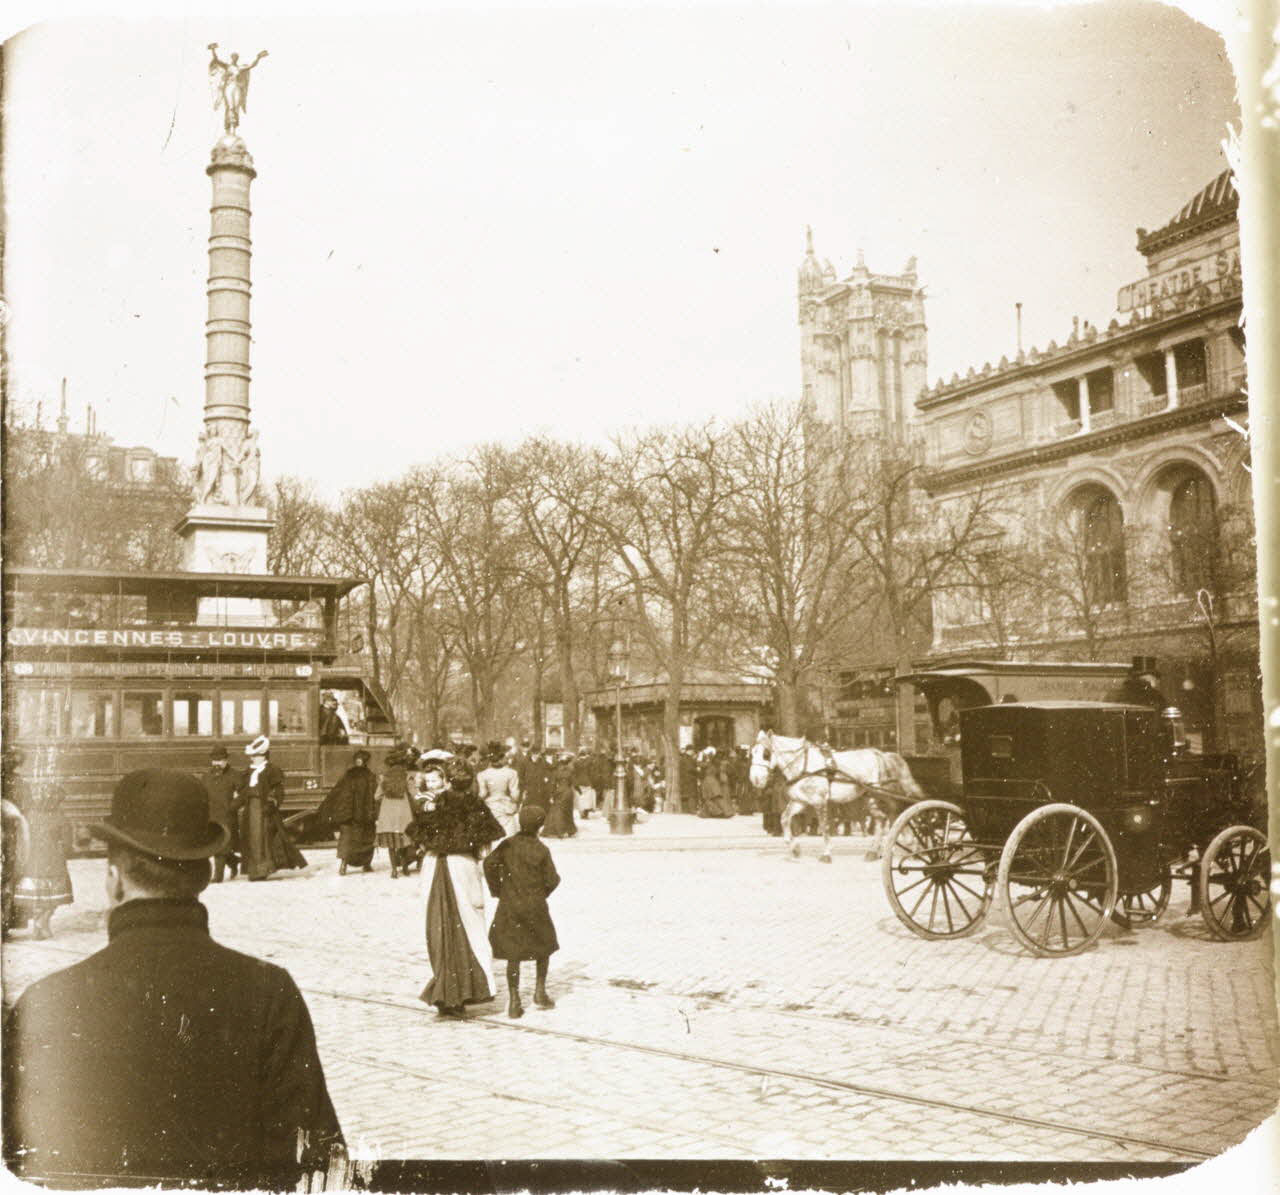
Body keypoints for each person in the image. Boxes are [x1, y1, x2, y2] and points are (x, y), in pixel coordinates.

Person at [2, 769, 344, 1188]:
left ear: (113, 881)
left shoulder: (44, 1001)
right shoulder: (270, 990)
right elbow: (319, 1168)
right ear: (202, 879)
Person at [415, 763, 505, 1018]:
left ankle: (445, 988)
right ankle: (462, 990)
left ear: (449, 781)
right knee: (469, 926)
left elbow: (419, 835)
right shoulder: (475, 805)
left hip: (434, 867)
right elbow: (485, 847)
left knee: (439, 927)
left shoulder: (435, 804)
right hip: (462, 866)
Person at [483, 805, 560, 1019]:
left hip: (510, 905)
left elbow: (489, 863)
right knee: (544, 948)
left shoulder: (507, 845)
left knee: (512, 954)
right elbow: (553, 879)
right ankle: (540, 992)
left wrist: (497, 890)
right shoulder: (542, 849)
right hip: (535, 906)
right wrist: (541, 893)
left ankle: (514, 1000)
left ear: (518, 822)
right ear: (540, 826)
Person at [12, 766, 74, 940]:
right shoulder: (61, 817)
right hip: (53, 863)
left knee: (38, 899)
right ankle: (43, 924)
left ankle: (41, 924)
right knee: (53, 899)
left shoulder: (30, 815)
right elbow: (68, 844)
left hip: (34, 863)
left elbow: (21, 838)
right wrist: (65, 850)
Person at [236, 737, 307, 881]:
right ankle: (254, 870)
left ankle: (264, 869)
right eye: (252, 756)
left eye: (255, 756)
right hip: (251, 809)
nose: (252, 759)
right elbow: (243, 792)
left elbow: (278, 791)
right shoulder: (248, 772)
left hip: (265, 811)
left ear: (263, 756)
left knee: (264, 839)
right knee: (252, 839)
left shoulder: (272, 770)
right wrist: (235, 804)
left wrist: (272, 803)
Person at [322, 749, 379, 874]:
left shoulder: (349, 775)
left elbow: (337, 792)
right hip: (364, 814)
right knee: (366, 839)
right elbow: (374, 795)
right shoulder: (370, 776)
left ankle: (344, 866)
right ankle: (366, 864)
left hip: (350, 815)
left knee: (347, 840)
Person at [374, 746, 416, 878]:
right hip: (403, 815)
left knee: (391, 845)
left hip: (388, 816)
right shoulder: (407, 777)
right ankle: (405, 868)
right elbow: (414, 795)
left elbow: (376, 796)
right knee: (403, 843)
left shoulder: (384, 778)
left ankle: (393, 870)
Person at [205, 744, 241, 882]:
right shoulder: (206, 776)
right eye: (214, 760)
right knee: (215, 846)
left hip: (227, 816)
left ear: (226, 760)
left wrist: (233, 806)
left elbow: (243, 794)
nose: (217, 763)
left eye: (220, 760)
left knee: (222, 846)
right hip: (211, 816)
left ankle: (218, 876)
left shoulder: (235, 775)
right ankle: (234, 861)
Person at [476, 741, 521, 837]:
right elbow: (515, 795)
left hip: (491, 806)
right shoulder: (511, 773)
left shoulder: (482, 774)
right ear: (501, 758)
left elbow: (483, 793)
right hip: (506, 806)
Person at [541, 754, 577, 838]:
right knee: (568, 811)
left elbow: (553, 784)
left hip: (560, 791)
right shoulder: (571, 771)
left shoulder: (556, 772)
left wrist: (551, 795)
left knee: (557, 810)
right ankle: (570, 830)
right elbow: (573, 782)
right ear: (568, 763)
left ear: (560, 763)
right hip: (568, 792)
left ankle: (558, 830)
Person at [571, 748, 597, 818]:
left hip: (579, 783)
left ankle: (581, 813)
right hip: (587, 782)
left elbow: (574, 773)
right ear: (585, 754)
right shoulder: (588, 762)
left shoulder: (576, 762)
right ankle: (586, 813)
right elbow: (591, 772)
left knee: (580, 798)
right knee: (587, 799)